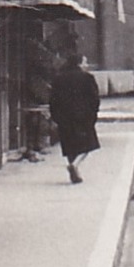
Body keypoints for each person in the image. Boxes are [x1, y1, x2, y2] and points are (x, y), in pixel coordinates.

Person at [48, 53, 100, 184]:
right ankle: (75, 165)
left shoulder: (58, 79)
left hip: (64, 118)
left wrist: (55, 117)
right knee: (87, 145)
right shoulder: (87, 78)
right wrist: (93, 114)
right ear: (79, 63)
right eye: (84, 62)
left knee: (70, 145)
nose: (86, 65)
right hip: (83, 117)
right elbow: (94, 99)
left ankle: (74, 170)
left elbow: (53, 100)